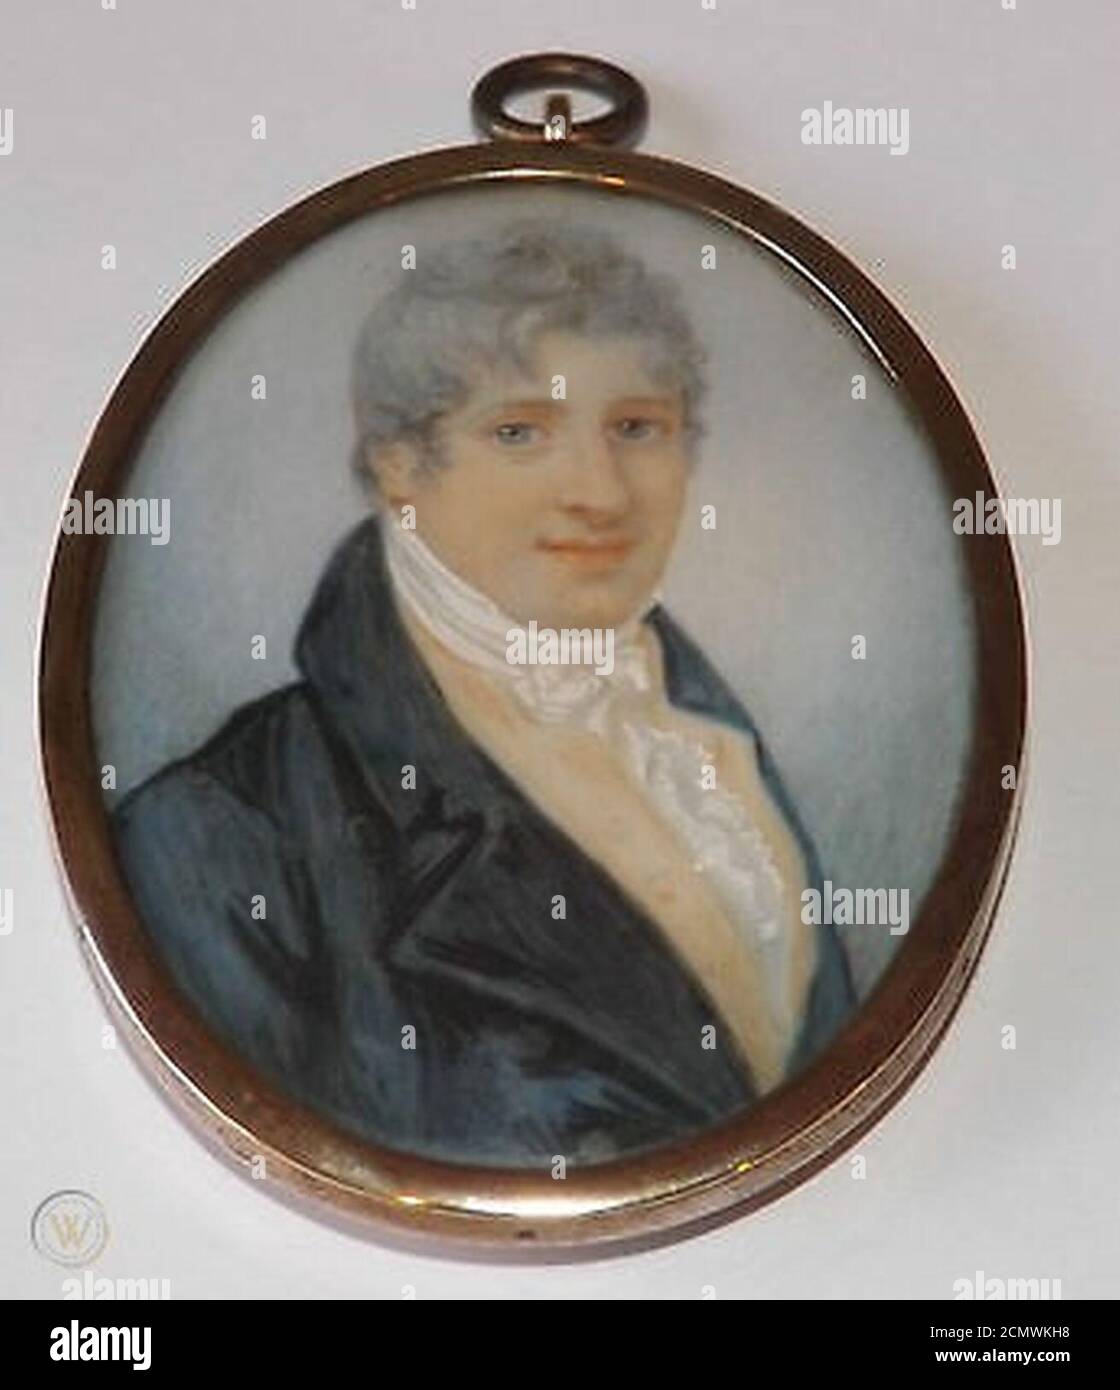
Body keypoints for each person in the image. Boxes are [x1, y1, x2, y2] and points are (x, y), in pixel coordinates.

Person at [113, 221, 854, 1166]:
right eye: (519, 433)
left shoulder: (709, 746)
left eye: (637, 427)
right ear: (397, 461)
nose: (601, 493)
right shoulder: (219, 834)